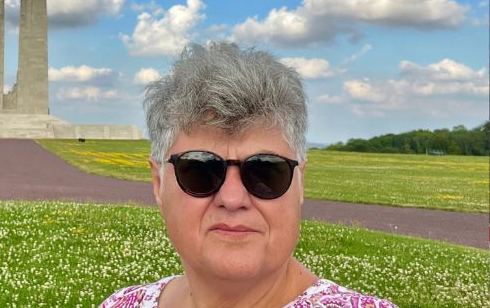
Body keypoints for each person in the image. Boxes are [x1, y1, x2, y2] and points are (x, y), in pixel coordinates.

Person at [100, 42, 397, 308]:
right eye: (200, 170)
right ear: (158, 183)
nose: (232, 198)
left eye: (266, 170)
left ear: (300, 183)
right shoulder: (121, 303)